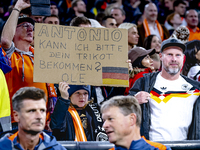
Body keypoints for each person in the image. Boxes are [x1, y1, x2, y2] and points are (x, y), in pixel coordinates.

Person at [0, 0, 57, 130]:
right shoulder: (9, 56)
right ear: (14, 31)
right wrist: (17, 8)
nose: (30, 28)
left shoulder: (41, 57)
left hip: (41, 122)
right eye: (25, 25)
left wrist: (48, 118)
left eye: (32, 26)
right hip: (17, 122)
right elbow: (5, 41)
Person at [129, 38, 200, 141]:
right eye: (169, 54)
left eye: (178, 55)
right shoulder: (144, 82)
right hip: (152, 146)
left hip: (186, 147)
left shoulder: (196, 88)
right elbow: (121, 110)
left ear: (183, 58)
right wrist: (133, 100)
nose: (174, 59)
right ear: (161, 56)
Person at [0, 87, 65, 150]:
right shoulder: (3, 147)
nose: (39, 116)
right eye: (32, 111)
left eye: (42, 110)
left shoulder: (57, 148)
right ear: (16, 116)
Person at [101, 95, 171, 150]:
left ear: (131, 119)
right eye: (104, 121)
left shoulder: (160, 149)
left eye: (111, 119)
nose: (104, 125)